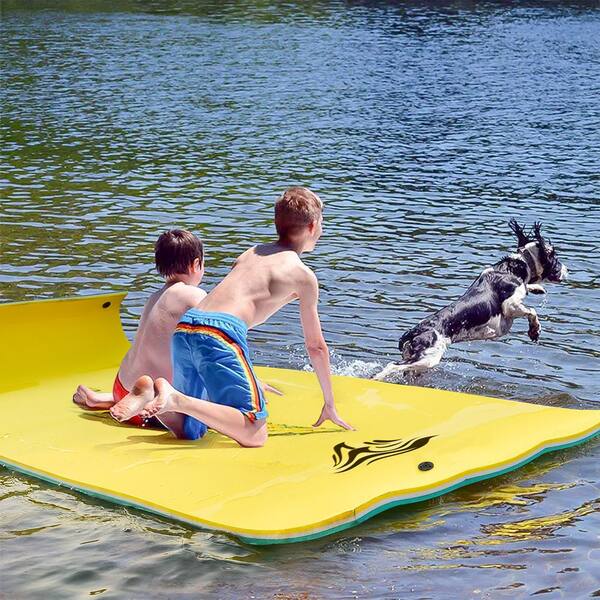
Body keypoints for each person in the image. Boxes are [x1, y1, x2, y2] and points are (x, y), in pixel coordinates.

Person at [111, 187, 353, 445]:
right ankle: (174, 399)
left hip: (187, 326)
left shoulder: (251, 253)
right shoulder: (303, 276)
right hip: (219, 332)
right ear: (313, 226)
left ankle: (153, 395)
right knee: (254, 432)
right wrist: (329, 403)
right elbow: (316, 347)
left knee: (192, 430)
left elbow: (240, 299)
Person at [72, 229, 207, 426]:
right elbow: (220, 333)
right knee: (210, 403)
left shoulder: (154, 297)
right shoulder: (194, 295)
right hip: (154, 401)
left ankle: (106, 399)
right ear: (196, 264)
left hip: (122, 386)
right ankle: (135, 399)